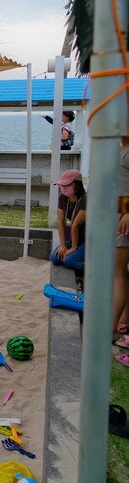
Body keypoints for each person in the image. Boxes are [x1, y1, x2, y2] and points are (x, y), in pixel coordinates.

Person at [50, 169, 87, 271]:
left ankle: (94, 266)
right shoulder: (62, 198)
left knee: (69, 261)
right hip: (74, 237)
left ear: (77, 185)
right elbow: (60, 221)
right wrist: (63, 245)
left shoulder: (85, 200)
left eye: (67, 185)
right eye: (62, 186)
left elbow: (75, 224)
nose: (63, 188)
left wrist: (73, 248)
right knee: (55, 258)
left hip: (88, 239)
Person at [113, 136, 129, 352]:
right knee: (121, 273)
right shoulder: (120, 148)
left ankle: (111, 328)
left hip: (124, 215)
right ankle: (123, 320)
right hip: (118, 212)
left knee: (117, 272)